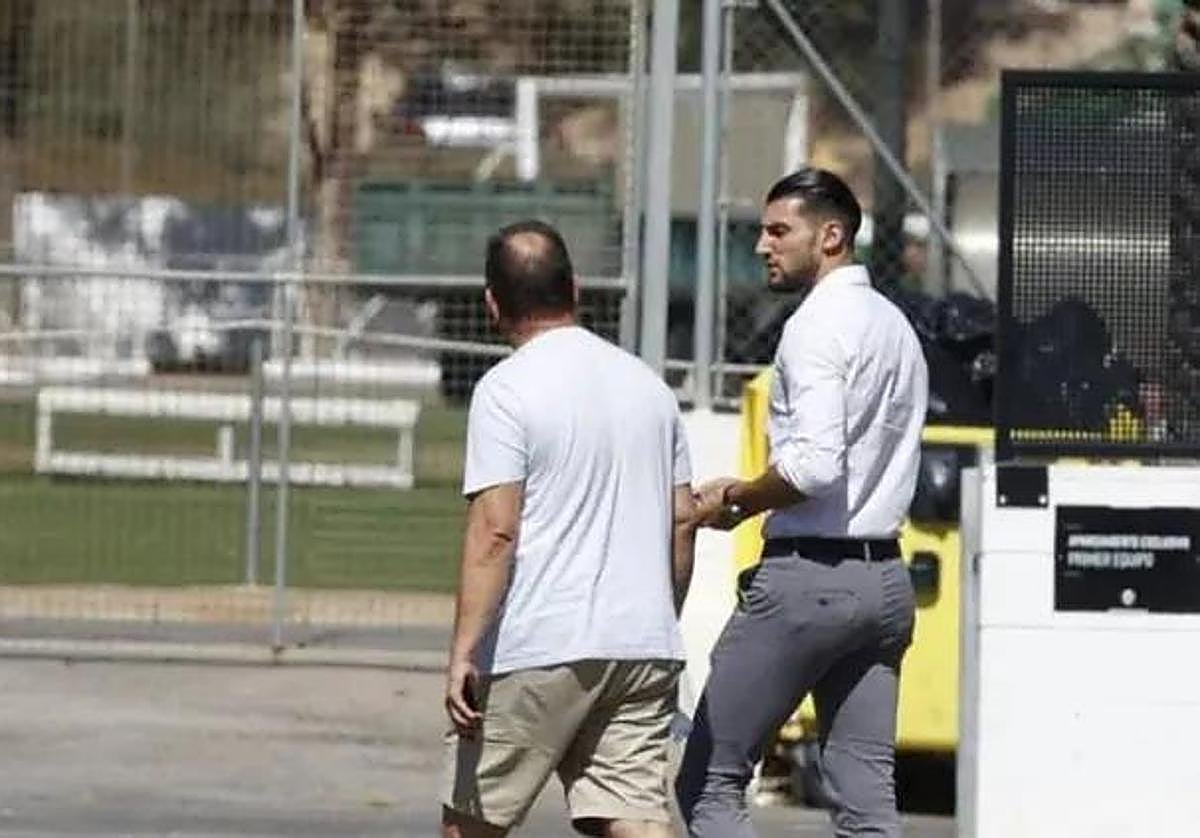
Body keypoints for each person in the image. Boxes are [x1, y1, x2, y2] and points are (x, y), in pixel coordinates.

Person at [676, 168, 929, 837]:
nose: (763, 244)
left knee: (709, 781)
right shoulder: (894, 324)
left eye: (779, 230)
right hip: (883, 581)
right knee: (868, 803)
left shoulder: (817, 326)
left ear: (832, 236)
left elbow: (814, 465)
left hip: (809, 580)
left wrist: (738, 497)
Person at [442, 219, 697, 838]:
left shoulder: (505, 390)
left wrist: (464, 652)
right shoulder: (648, 387)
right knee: (633, 817)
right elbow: (684, 519)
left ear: (492, 304)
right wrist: (659, 614)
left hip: (541, 641)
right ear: (576, 289)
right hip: (642, 641)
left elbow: (496, 530)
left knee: (472, 822)